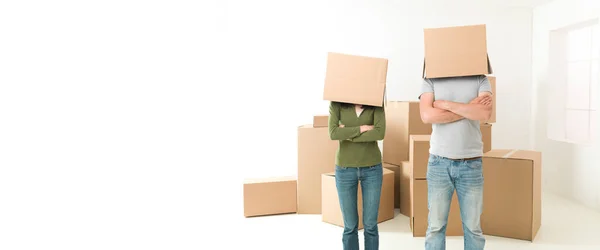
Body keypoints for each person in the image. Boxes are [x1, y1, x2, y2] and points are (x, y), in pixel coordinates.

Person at [419, 75, 493, 250]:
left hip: (471, 163)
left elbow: (484, 113)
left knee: (473, 228)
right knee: (435, 227)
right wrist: (468, 108)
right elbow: (427, 115)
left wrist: (445, 105)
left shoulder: (481, 79)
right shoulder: (430, 79)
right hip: (439, 163)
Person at [328, 101, 386, 250]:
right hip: (345, 169)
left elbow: (380, 133)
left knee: (371, 225)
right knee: (350, 226)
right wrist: (362, 128)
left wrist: (348, 133)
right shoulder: (337, 103)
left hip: (372, 168)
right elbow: (333, 133)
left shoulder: (376, 102)